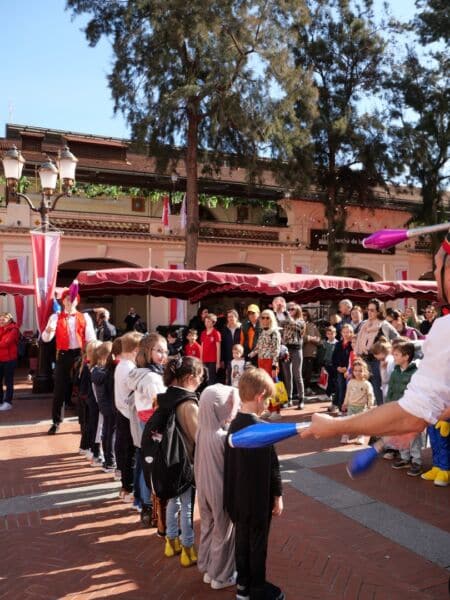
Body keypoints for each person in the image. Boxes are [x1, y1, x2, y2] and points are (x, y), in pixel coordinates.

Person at [301, 232, 450, 451]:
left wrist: (335, 425)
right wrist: (422, 416)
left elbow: (411, 415)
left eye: (438, 267)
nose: (434, 274)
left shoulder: (444, 328)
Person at [224, 367, 284, 600]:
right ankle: (258, 588)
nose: (268, 404)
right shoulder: (261, 430)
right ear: (260, 396)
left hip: (237, 498)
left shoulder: (234, 425)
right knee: (258, 543)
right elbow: (273, 468)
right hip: (257, 499)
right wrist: (277, 495)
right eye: (267, 399)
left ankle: (243, 586)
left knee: (242, 540)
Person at [155, 356, 203, 566]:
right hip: (185, 462)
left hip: (168, 460)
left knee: (172, 502)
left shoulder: (166, 397)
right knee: (187, 506)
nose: (201, 381)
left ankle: (170, 541)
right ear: (190, 377)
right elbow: (198, 436)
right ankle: (188, 548)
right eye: (200, 377)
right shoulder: (188, 403)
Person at [195, 384, 239, 590]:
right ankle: (221, 576)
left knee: (208, 526)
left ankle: (208, 567)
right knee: (224, 530)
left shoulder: (202, 432)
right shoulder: (222, 437)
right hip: (219, 489)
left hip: (203, 487)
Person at [43, 288, 97, 434]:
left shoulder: (84, 317)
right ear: (63, 301)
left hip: (80, 354)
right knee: (59, 389)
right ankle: (56, 422)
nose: (69, 301)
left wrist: (91, 356)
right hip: (62, 355)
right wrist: (48, 331)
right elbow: (45, 338)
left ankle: (84, 420)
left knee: (83, 387)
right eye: (67, 298)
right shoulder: (55, 317)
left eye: (72, 299)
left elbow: (92, 339)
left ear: (76, 301)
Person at [127, 333, 167, 526]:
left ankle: (145, 505)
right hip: (154, 424)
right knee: (152, 465)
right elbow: (162, 403)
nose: (163, 355)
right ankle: (150, 506)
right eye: (159, 350)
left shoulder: (142, 372)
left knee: (145, 463)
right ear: (147, 351)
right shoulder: (152, 377)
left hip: (144, 424)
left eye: (165, 351)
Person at [385, 341, 424, 476]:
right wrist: (388, 405)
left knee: (412, 435)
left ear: (406, 357)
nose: (393, 357)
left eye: (396, 355)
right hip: (397, 408)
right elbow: (390, 389)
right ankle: (405, 457)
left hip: (411, 409)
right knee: (400, 434)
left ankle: (416, 461)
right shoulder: (395, 371)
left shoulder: (415, 372)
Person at [353, 298, 399, 406]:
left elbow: (397, 339)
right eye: (368, 310)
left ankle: (382, 414)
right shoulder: (364, 325)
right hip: (364, 361)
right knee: (364, 390)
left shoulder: (384, 325)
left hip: (378, 362)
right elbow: (358, 343)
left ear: (379, 311)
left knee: (378, 390)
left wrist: (389, 353)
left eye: (372, 310)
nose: (369, 312)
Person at [114, 331, 143, 502]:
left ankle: (125, 486)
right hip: (128, 414)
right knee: (130, 452)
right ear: (135, 350)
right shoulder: (129, 368)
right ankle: (128, 487)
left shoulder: (121, 365)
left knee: (126, 451)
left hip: (122, 411)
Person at [248, 309, 281, 419]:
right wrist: (251, 354)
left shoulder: (274, 332)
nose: (265, 320)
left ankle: (276, 410)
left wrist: (274, 365)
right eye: (263, 317)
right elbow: (258, 346)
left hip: (270, 361)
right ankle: (269, 409)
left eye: (268, 317)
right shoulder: (262, 332)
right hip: (261, 361)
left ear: (271, 319)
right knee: (265, 386)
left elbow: (276, 350)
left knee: (273, 386)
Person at [340, 359, 375, 445]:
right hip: (351, 406)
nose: (357, 373)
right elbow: (347, 393)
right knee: (348, 423)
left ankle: (360, 437)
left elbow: (370, 395)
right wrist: (345, 403)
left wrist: (370, 405)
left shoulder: (367, 384)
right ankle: (345, 436)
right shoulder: (351, 382)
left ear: (365, 371)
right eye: (355, 370)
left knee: (361, 424)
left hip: (362, 407)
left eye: (360, 371)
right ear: (353, 371)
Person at [281, 303, 305, 410]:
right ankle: (288, 399)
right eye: (288, 309)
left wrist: (286, 313)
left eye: (292, 309)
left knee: (297, 375)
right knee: (287, 376)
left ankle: (301, 399)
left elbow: (294, 324)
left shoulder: (301, 321)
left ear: (297, 310)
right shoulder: (284, 320)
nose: (290, 310)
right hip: (286, 349)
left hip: (296, 350)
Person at [0, 312, 20, 411]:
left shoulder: (14, 329)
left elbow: (6, 342)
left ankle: (8, 402)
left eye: (4, 319)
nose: (1, 321)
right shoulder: (1, 329)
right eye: (0, 319)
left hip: (9, 360)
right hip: (0, 359)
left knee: (8, 381)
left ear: (10, 319)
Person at [301, 310, 321, 396]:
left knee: (308, 372)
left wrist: (312, 339)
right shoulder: (297, 325)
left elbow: (319, 339)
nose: (303, 316)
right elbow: (298, 337)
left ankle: (307, 388)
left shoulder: (313, 325)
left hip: (310, 352)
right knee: (300, 372)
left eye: (305, 315)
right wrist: (307, 338)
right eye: (301, 315)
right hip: (299, 352)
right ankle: (300, 390)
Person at [220, 309, 242, 384]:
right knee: (229, 376)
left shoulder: (241, 328)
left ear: (236, 317)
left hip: (239, 356)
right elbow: (222, 345)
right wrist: (222, 359)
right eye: (229, 317)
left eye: (232, 316)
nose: (230, 318)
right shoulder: (224, 329)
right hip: (228, 356)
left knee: (239, 376)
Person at [200, 313, 221, 385]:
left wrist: (218, 363)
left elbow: (218, 348)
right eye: (205, 321)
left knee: (211, 380)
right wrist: (201, 360)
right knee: (205, 379)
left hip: (213, 361)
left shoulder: (216, 333)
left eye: (208, 321)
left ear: (213, 322)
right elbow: (202, 347)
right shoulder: (203, 333)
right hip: (204, 360)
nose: (206, 323)